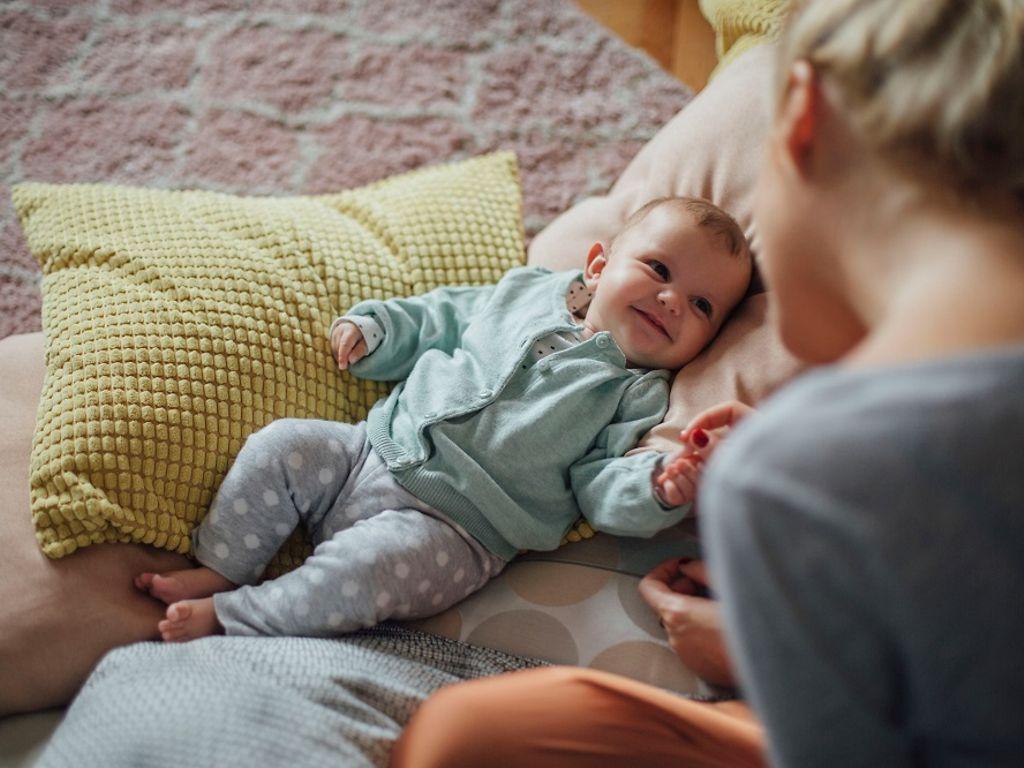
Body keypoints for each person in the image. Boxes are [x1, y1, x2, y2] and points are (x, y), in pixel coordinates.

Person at [389, 0, 1024, 765]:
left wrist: (773, 650)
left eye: (705, 302)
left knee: (461, 743)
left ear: (802, 122)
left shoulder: (797, 482)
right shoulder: (822, 470)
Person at [133, 195, 752, 641]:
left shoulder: (639, 395)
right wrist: (378, 329)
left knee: (363, 573)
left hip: (455, 533)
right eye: (659, 270)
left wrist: (655, 486)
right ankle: (218, 569)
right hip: (371, 449)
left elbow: (600, 485)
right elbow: (442, 317)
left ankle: (240, 615)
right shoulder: (526, 292)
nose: (672, 300)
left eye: (701, 305)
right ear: (597, 266)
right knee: (280, 446)